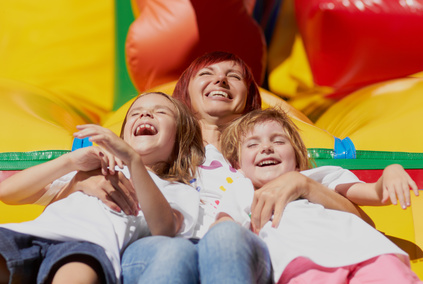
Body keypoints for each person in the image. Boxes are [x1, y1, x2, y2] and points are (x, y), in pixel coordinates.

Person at [27, 52, 369, 283]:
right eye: (207, 74)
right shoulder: (153, 150)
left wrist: (304, 185)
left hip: (247, 252)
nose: (220, 80)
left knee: (226, 237)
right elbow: (60, 211)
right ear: (182, 96)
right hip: (158, 250)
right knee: (170, 251)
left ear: (249, 97)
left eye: (233, 76)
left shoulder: (269, 154)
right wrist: (83, 182)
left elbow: (364, 223)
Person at [0, 92, 204, 283]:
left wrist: (134, 161)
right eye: (135, 112)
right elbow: (8, 192)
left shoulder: (176, 189)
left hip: (86, 247)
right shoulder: (93, 167)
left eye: (161, 112)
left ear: (181, 139)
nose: (145, 113)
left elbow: (164, 228)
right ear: (123, 136)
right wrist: (70, 162)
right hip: (31, 233)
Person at [216, 107, 421, 283]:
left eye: (278, 141)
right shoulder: (243, 190)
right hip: (302, 264)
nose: (266, 147)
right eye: (252, 145)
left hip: (367, 252)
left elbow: (373, 193)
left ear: (296, 158)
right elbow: (223, 230)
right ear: (238, 166)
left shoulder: (320, 175)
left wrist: (391, 172)